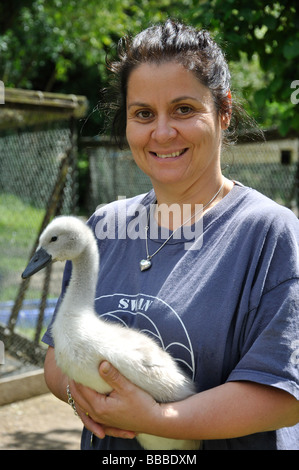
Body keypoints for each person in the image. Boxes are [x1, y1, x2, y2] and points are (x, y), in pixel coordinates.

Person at [42, 19, 299, 450]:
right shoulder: (103, 228)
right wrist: (83, 394)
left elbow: (284, 393)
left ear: (224, 112)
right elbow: (56, 357)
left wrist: (159, 419)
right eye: (143, 114)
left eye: (183, 109)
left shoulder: (270, 234)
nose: (161, 133)